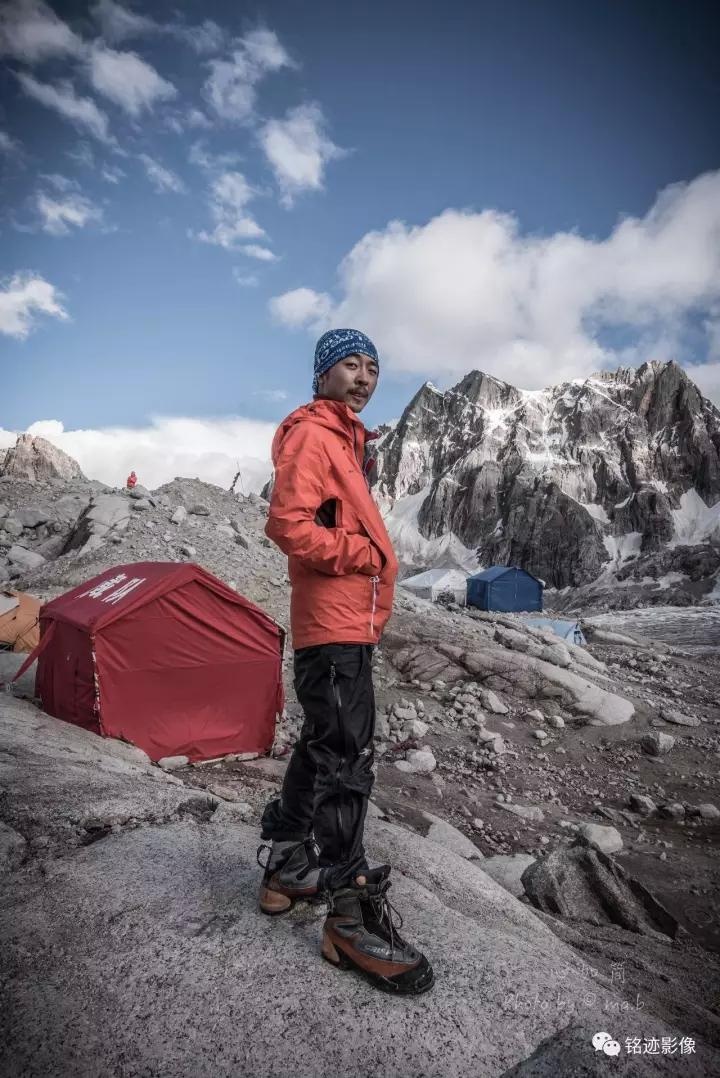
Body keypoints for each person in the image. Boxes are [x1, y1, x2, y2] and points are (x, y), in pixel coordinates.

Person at [257, 329, 434, 995]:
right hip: (333, 627)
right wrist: (366, 556)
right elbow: (288, 524)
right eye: (350, 365)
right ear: (322, 374)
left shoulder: (345, 438)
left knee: (323, 743)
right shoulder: (314, 435)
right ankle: (349, 916)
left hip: (341, 627)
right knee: (345, 760)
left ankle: (286, 867)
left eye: (372, 367)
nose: (364, 377)